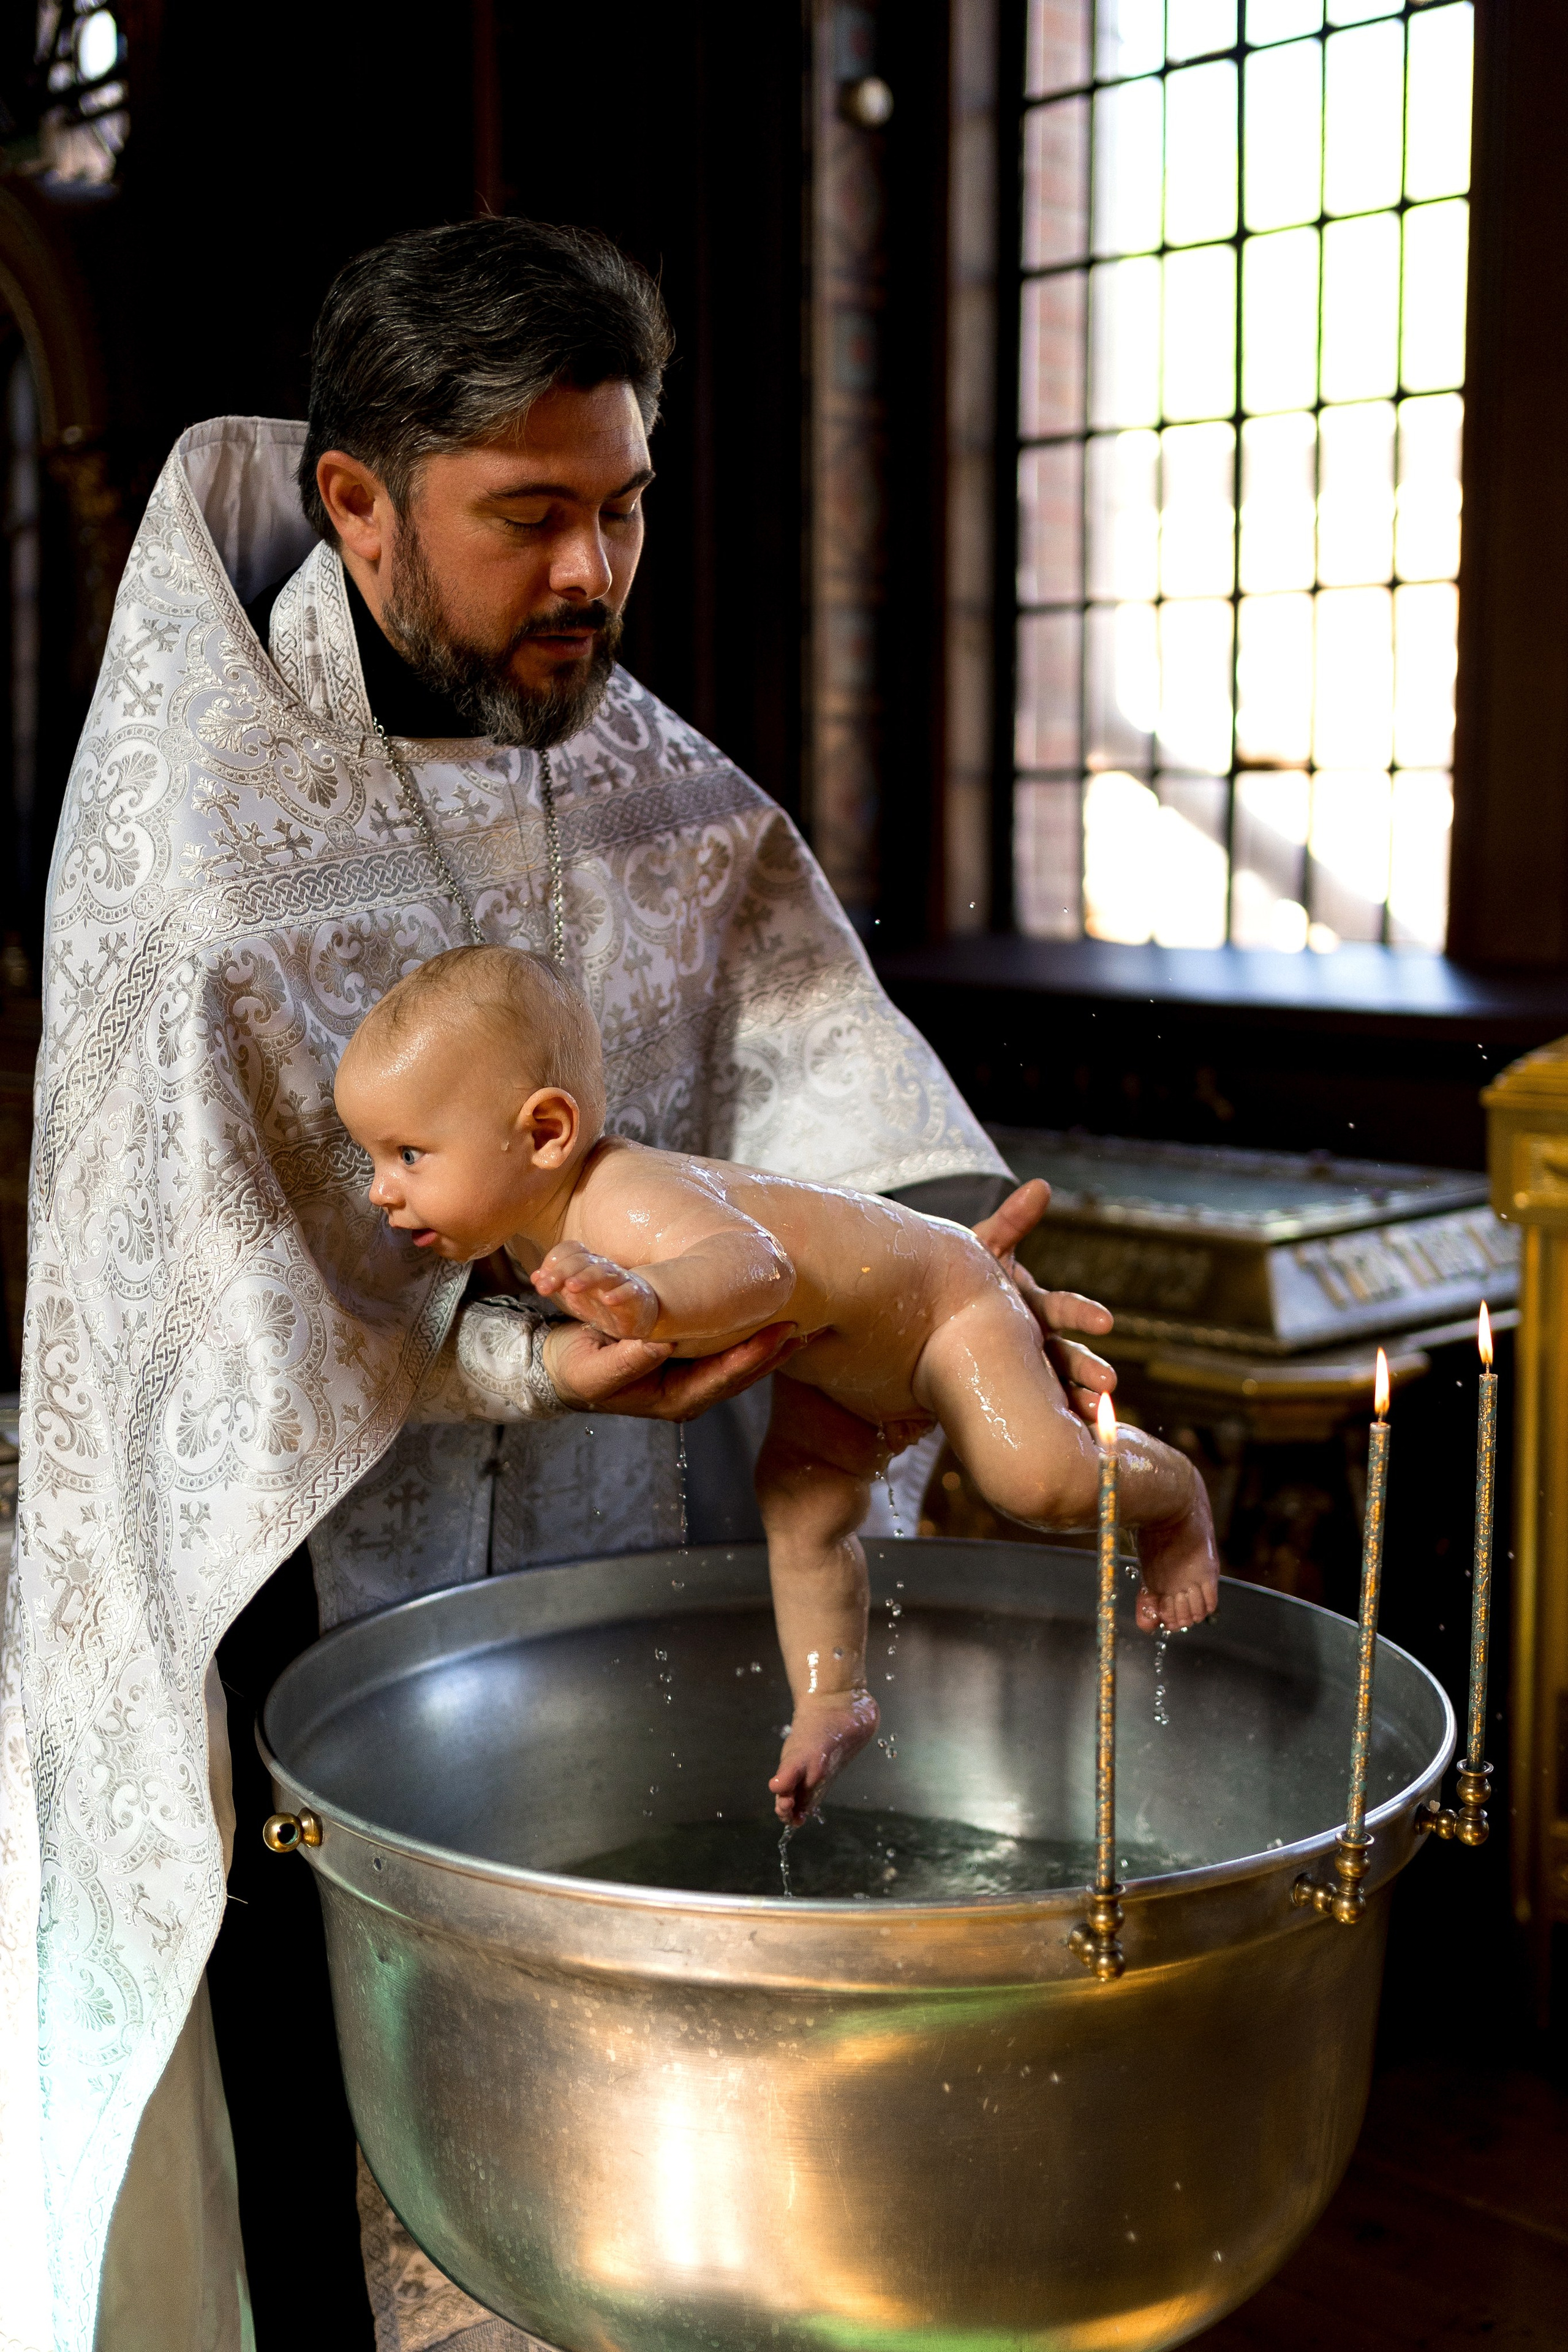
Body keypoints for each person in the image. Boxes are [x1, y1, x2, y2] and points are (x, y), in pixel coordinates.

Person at [0, 218, 1121, 2352]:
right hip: (299, 1603)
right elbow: (200, 1295)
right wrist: (523, 1361)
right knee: (329, 2137)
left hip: (619, 1562)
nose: (594, 571)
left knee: (625, 2144)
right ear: (359, 502)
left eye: (624, 505)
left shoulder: (631, 760)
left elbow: (811, 1033)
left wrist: (946, 1269)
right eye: (529, 517)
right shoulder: (199, 834)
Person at [335, 943, 1219, 1825]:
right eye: (375, 1158)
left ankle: (1173, 1493)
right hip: (828, 1362)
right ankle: (834, 1698)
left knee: (1038, 1481)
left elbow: (758, 1269)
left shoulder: (624, 1198)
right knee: (801, 1516)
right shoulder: (534, 1224)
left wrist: (652, 1297)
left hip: (943, 1309)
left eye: (409, 1155)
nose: (379, 1191)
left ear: (544, 1134)